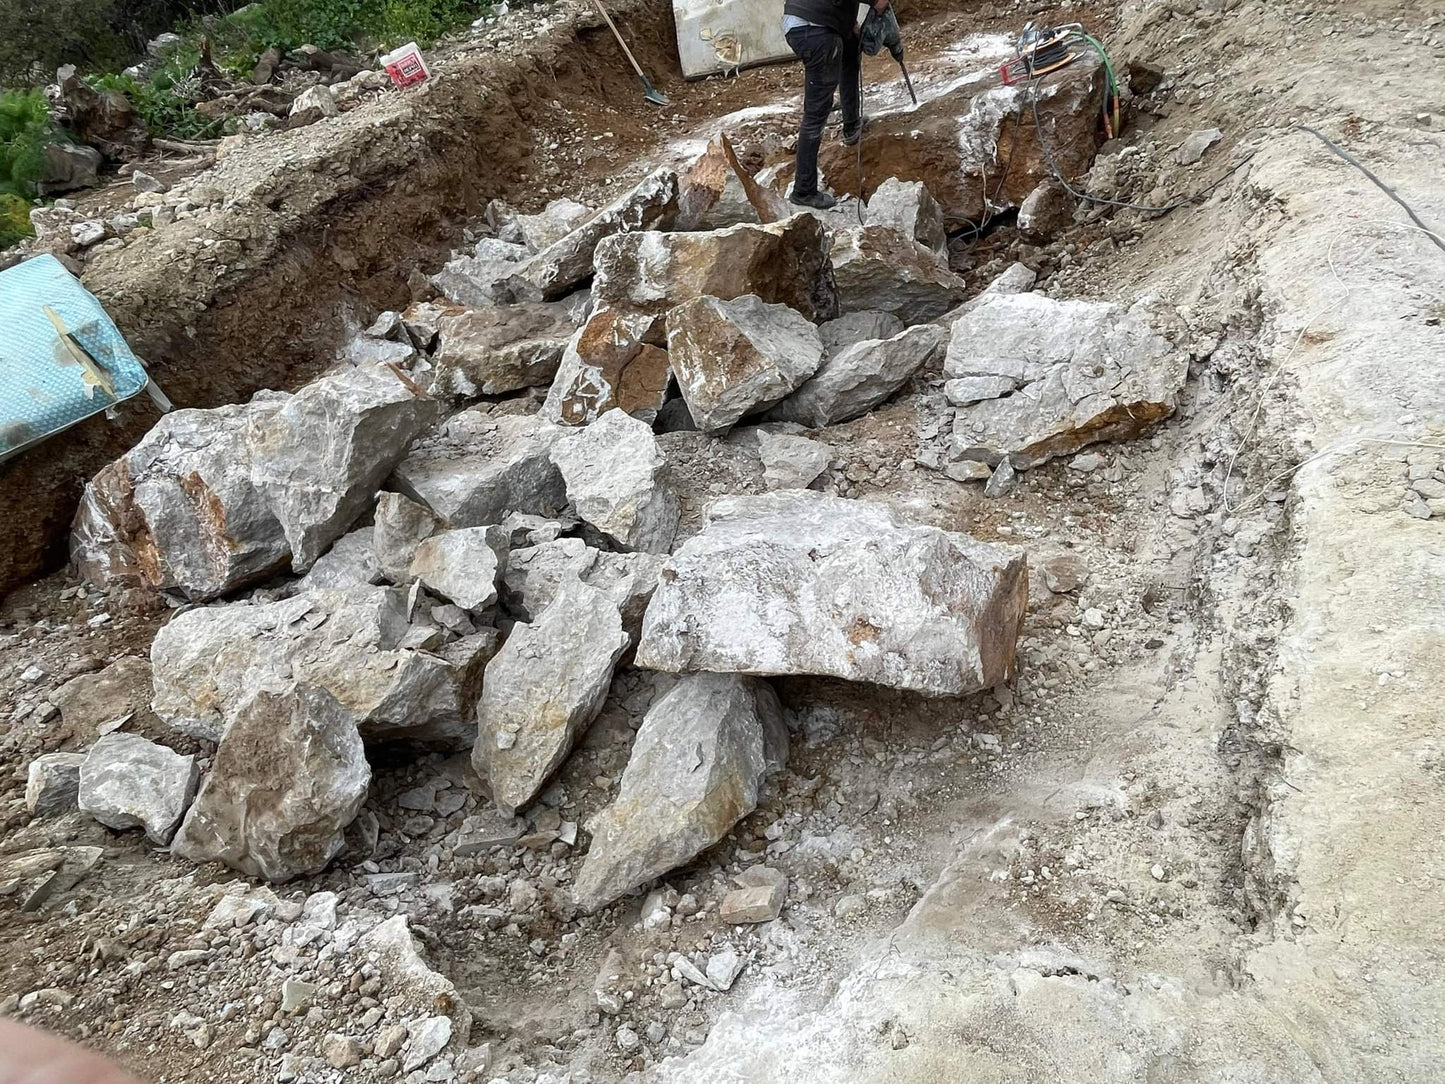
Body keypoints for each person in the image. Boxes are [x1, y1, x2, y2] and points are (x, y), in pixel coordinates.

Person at [781, 0, 890, 209]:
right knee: (815, 115)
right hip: (816, 32)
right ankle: (804, 191)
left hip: (800, 23)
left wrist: (848, 23)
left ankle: (852, 124)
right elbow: (879, 4)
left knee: (850, 48)